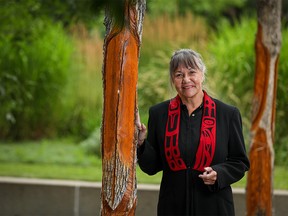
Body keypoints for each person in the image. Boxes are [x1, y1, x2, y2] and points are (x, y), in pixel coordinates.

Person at [136, 49, 250, 216]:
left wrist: (219, 173)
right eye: (179, 75)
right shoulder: (159, 114)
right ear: (172, 80)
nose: (186, 80)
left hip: (215, 207)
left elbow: (240, 162)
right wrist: (141, 142)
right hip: (173, 207)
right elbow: (152, 166)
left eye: (192, 73)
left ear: (202, 74)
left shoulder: (227, 114)